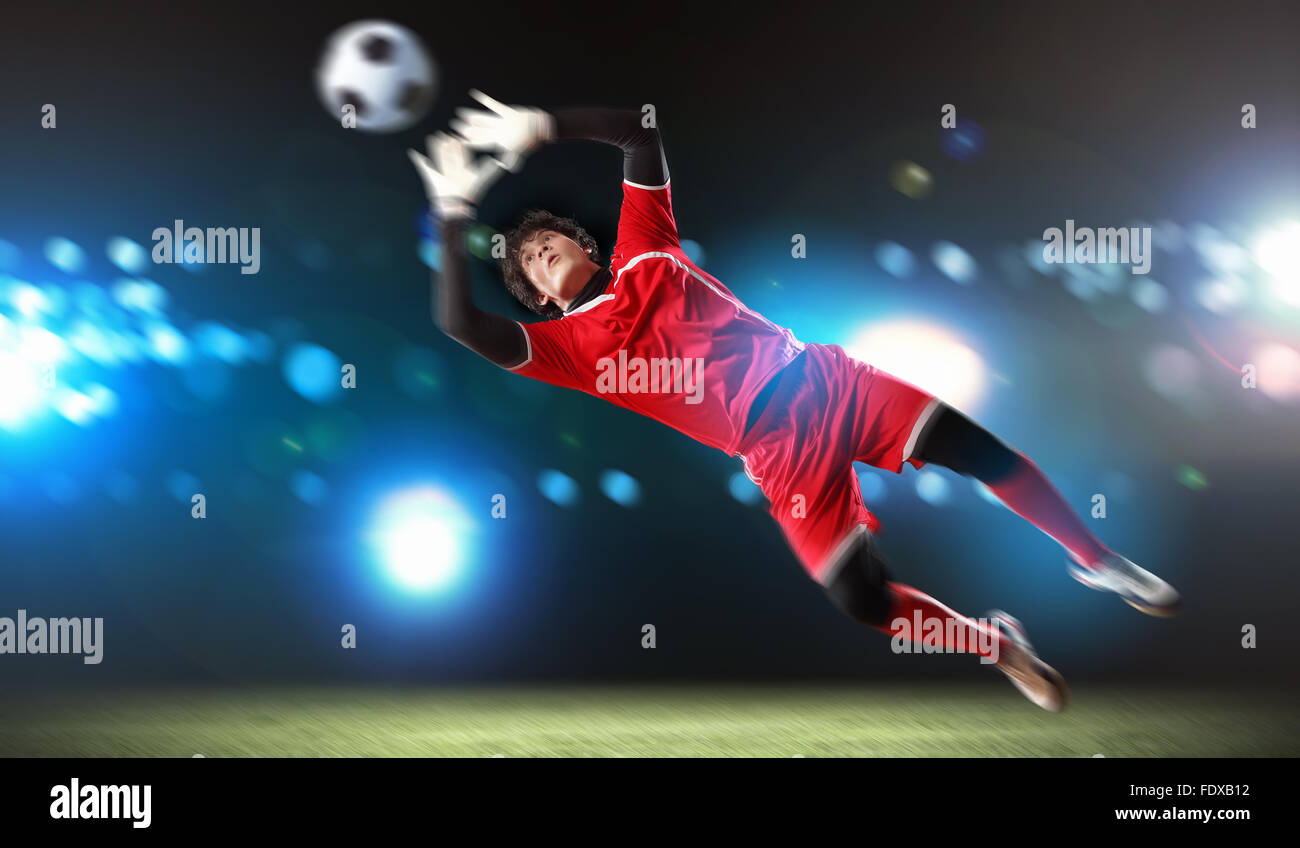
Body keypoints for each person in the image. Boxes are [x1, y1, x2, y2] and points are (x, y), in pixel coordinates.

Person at [407, 91, 1182, 712]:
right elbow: (459, 322)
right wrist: (452, 211)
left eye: (549, 241)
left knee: (981, 453)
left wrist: (542, 126)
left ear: (586, 244)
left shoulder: (647, 247)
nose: (540, 253)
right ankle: (997, 646)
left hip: (823, 382)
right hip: (777, 454)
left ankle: (1097, 560)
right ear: (541, 299)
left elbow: (641, 131)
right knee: (862, 600)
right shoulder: (565, 351)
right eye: (529, 264)